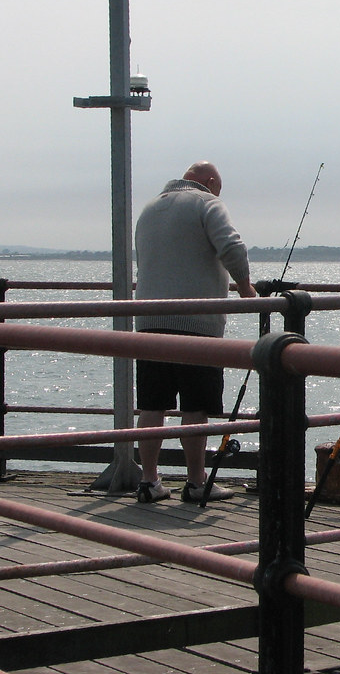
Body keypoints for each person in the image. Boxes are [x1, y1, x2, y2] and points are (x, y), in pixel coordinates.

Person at [133, 161, 257, 504]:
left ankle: (149, 480)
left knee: (151, 406)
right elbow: (232, 247)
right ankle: (196, 481)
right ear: (212, 182)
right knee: (196, 407)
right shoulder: (207, 203)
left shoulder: (150, 208)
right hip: (196, 324)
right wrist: (246, 289)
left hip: (148, 321)